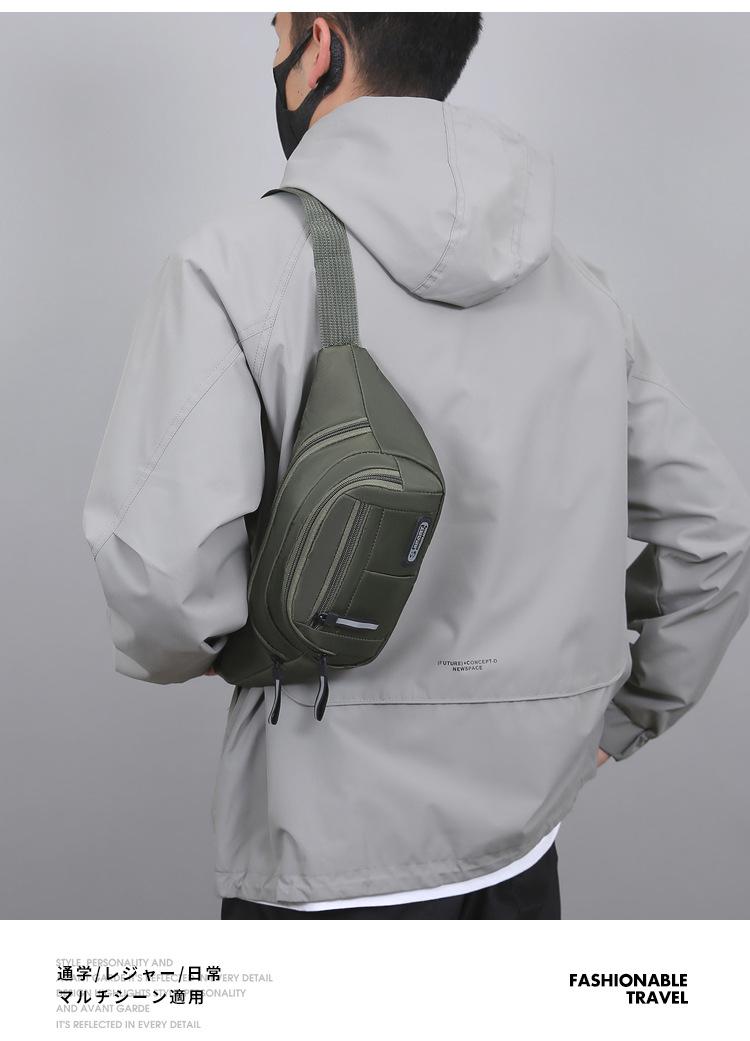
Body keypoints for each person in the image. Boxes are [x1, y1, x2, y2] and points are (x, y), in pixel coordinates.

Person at [82, 12, 750, 920]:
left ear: (321, 46)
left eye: (279, 33)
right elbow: (714, 535)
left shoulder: (233, 267)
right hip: (520, 853)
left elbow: (163, 597)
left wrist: (209, 643)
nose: (276, 56)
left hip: (325, 857)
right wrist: (622, 717)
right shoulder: (579, 288)